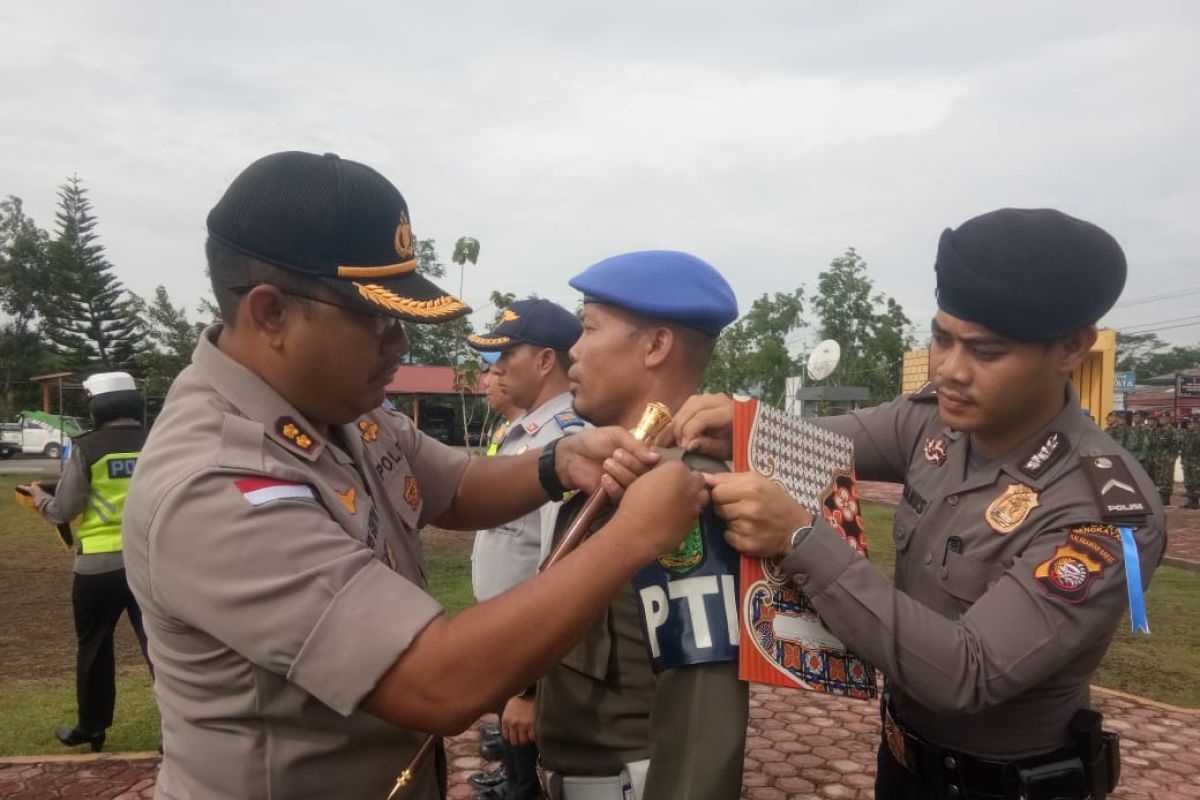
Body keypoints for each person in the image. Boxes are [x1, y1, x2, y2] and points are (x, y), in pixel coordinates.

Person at [120, 151, 708, 800]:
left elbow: (453, 486)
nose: (398, 342)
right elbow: (440, 682)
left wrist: (556, 464)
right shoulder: (218, 482)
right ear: (270, 315)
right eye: (374, 317)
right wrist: (631, 537)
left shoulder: (341, 409)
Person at [665, 209, 1166, 800]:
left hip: (1008, 787)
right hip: (902, 765)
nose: (951, 370)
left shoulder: (1094, 507)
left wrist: (800, 539)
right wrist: (741, 424)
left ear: (1071, 348)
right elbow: (825, 439)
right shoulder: (934, 422)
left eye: (987, 350)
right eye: (942, 337)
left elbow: (967, 672)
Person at [535, 251, 749, 800]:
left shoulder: (688, 489)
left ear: (655, 345)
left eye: (588, 329)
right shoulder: (624, 469)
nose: (573, 351)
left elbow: (703, 716)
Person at [466, 298, 586, 800]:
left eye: (506, 356)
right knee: (517, 778)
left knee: (530, 787)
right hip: (508, 645)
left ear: (544, 361)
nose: (496, 369)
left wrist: (531, 689)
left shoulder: (565, 443)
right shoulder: (524, 435)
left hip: (532, 657)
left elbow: (567, 578)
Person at [21, 372, 152, 753]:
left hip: (98, 567)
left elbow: (64, 508)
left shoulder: (87, 447)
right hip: (151, 564)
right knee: (161, 649)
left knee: (94, 646)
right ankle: (179, 729)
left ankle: (92, 727)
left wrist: (37, 497)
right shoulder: (159, 442)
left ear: (96, 405)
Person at [1183, 416, 1200, 509]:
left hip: (1196, 462)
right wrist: (1183, 460)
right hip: (1187, 461)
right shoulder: (1187, 435)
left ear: (1197, 424)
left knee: (1196, 483)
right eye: (1188, 424)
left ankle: (1195, 502)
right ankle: (1189, 501)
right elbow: (1183, 448)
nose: (1189, 426)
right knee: (1188, 482)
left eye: (1191, 424)